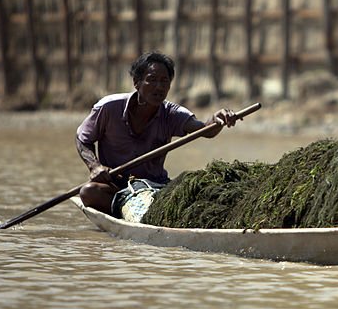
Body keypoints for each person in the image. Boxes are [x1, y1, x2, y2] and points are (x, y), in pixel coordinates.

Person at [76, 51, 238, 217]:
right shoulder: (109, 108)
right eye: (152, 80)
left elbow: (205, 130)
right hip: (115, 185)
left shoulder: (172, 114)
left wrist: (217, 119)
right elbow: (82, 139)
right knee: (89, 192)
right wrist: (95, 166)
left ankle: (139, 213)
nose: (159, 87)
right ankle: (123, 211)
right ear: (137, 83)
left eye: (164, 81)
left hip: (154, 186)